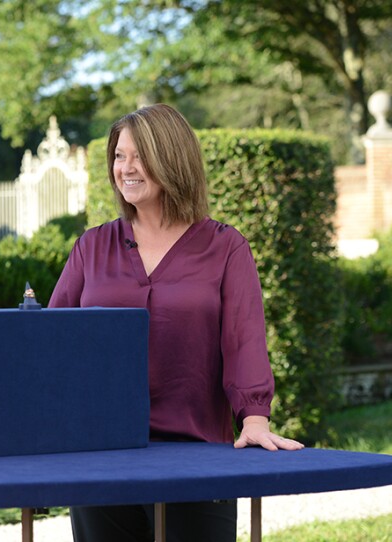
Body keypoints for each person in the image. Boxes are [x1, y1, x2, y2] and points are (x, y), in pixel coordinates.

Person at [48, 104, 304, 542]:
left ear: (172, 158)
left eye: (138, 156)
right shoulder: (91, 247)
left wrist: (255, 418)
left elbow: (243, 340)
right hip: (102, 456)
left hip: (197, 457)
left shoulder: (226, 248)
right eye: (118, 156)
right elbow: (50, 344)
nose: (124, 168)